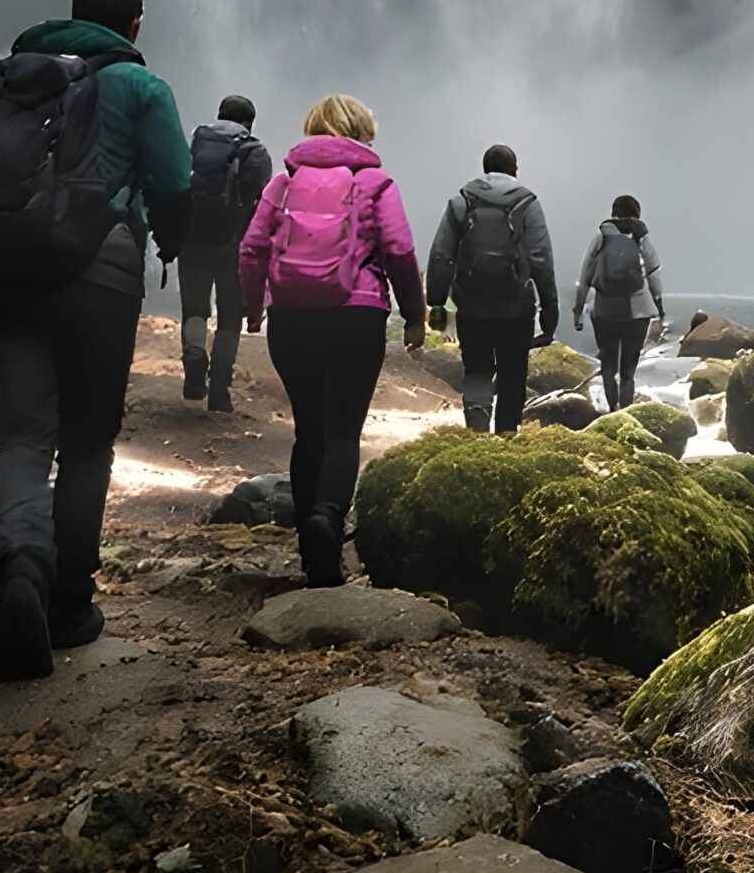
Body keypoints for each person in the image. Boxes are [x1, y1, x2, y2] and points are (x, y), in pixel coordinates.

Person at [0, 0, 189, 682]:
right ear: (133, 28)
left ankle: (21, 562)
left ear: (68, 20)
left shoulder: (6, 79)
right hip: (100, 277)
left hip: (5, 273)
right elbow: (173, 180)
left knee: (22, 435)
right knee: (86, 443)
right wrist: (170, 241)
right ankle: (68, 605)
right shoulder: (143, 89)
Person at [239, 94, 424, 586]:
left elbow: (253, 248)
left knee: (309, 431)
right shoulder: (375, 183)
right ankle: (328, 517)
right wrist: (414, 316)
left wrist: (256, 310)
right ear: (364, 134)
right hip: (357, 317)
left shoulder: (283, 185)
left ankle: (308, 550)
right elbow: (401, 251)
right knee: (344, 431)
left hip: (291, 320)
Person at [425, 143, 557, 436]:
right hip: (517, 307)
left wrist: (436, 300)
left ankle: (477, 434)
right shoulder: (528, 203)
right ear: (514, 169)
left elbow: (441, 254)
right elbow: (541, 258)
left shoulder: (462, 201)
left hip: (472, 305)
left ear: (485, 169)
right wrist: (550, 307)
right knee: (513, 374)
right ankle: (507, 438)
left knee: (476, 370)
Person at [180, 93, 271, 411]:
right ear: (249, 123)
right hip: (234, 244)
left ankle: (193, 356)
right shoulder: (255, 151)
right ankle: (219, 390)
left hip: (192, 238)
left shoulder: (195, 141)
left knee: (194, 308)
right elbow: (260, 204)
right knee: (230, 318)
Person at [573, 194, 666, 408]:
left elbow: (584, 277)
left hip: (605, 310)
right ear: (637, 215)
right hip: (638, 312)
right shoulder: (640, 235)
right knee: (628, 371)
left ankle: (611, 411)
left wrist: (578, 311)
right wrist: (659, 310)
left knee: (608, 365)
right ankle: (624, 413)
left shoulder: (601, 236)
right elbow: (653, 273)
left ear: (613, 214)